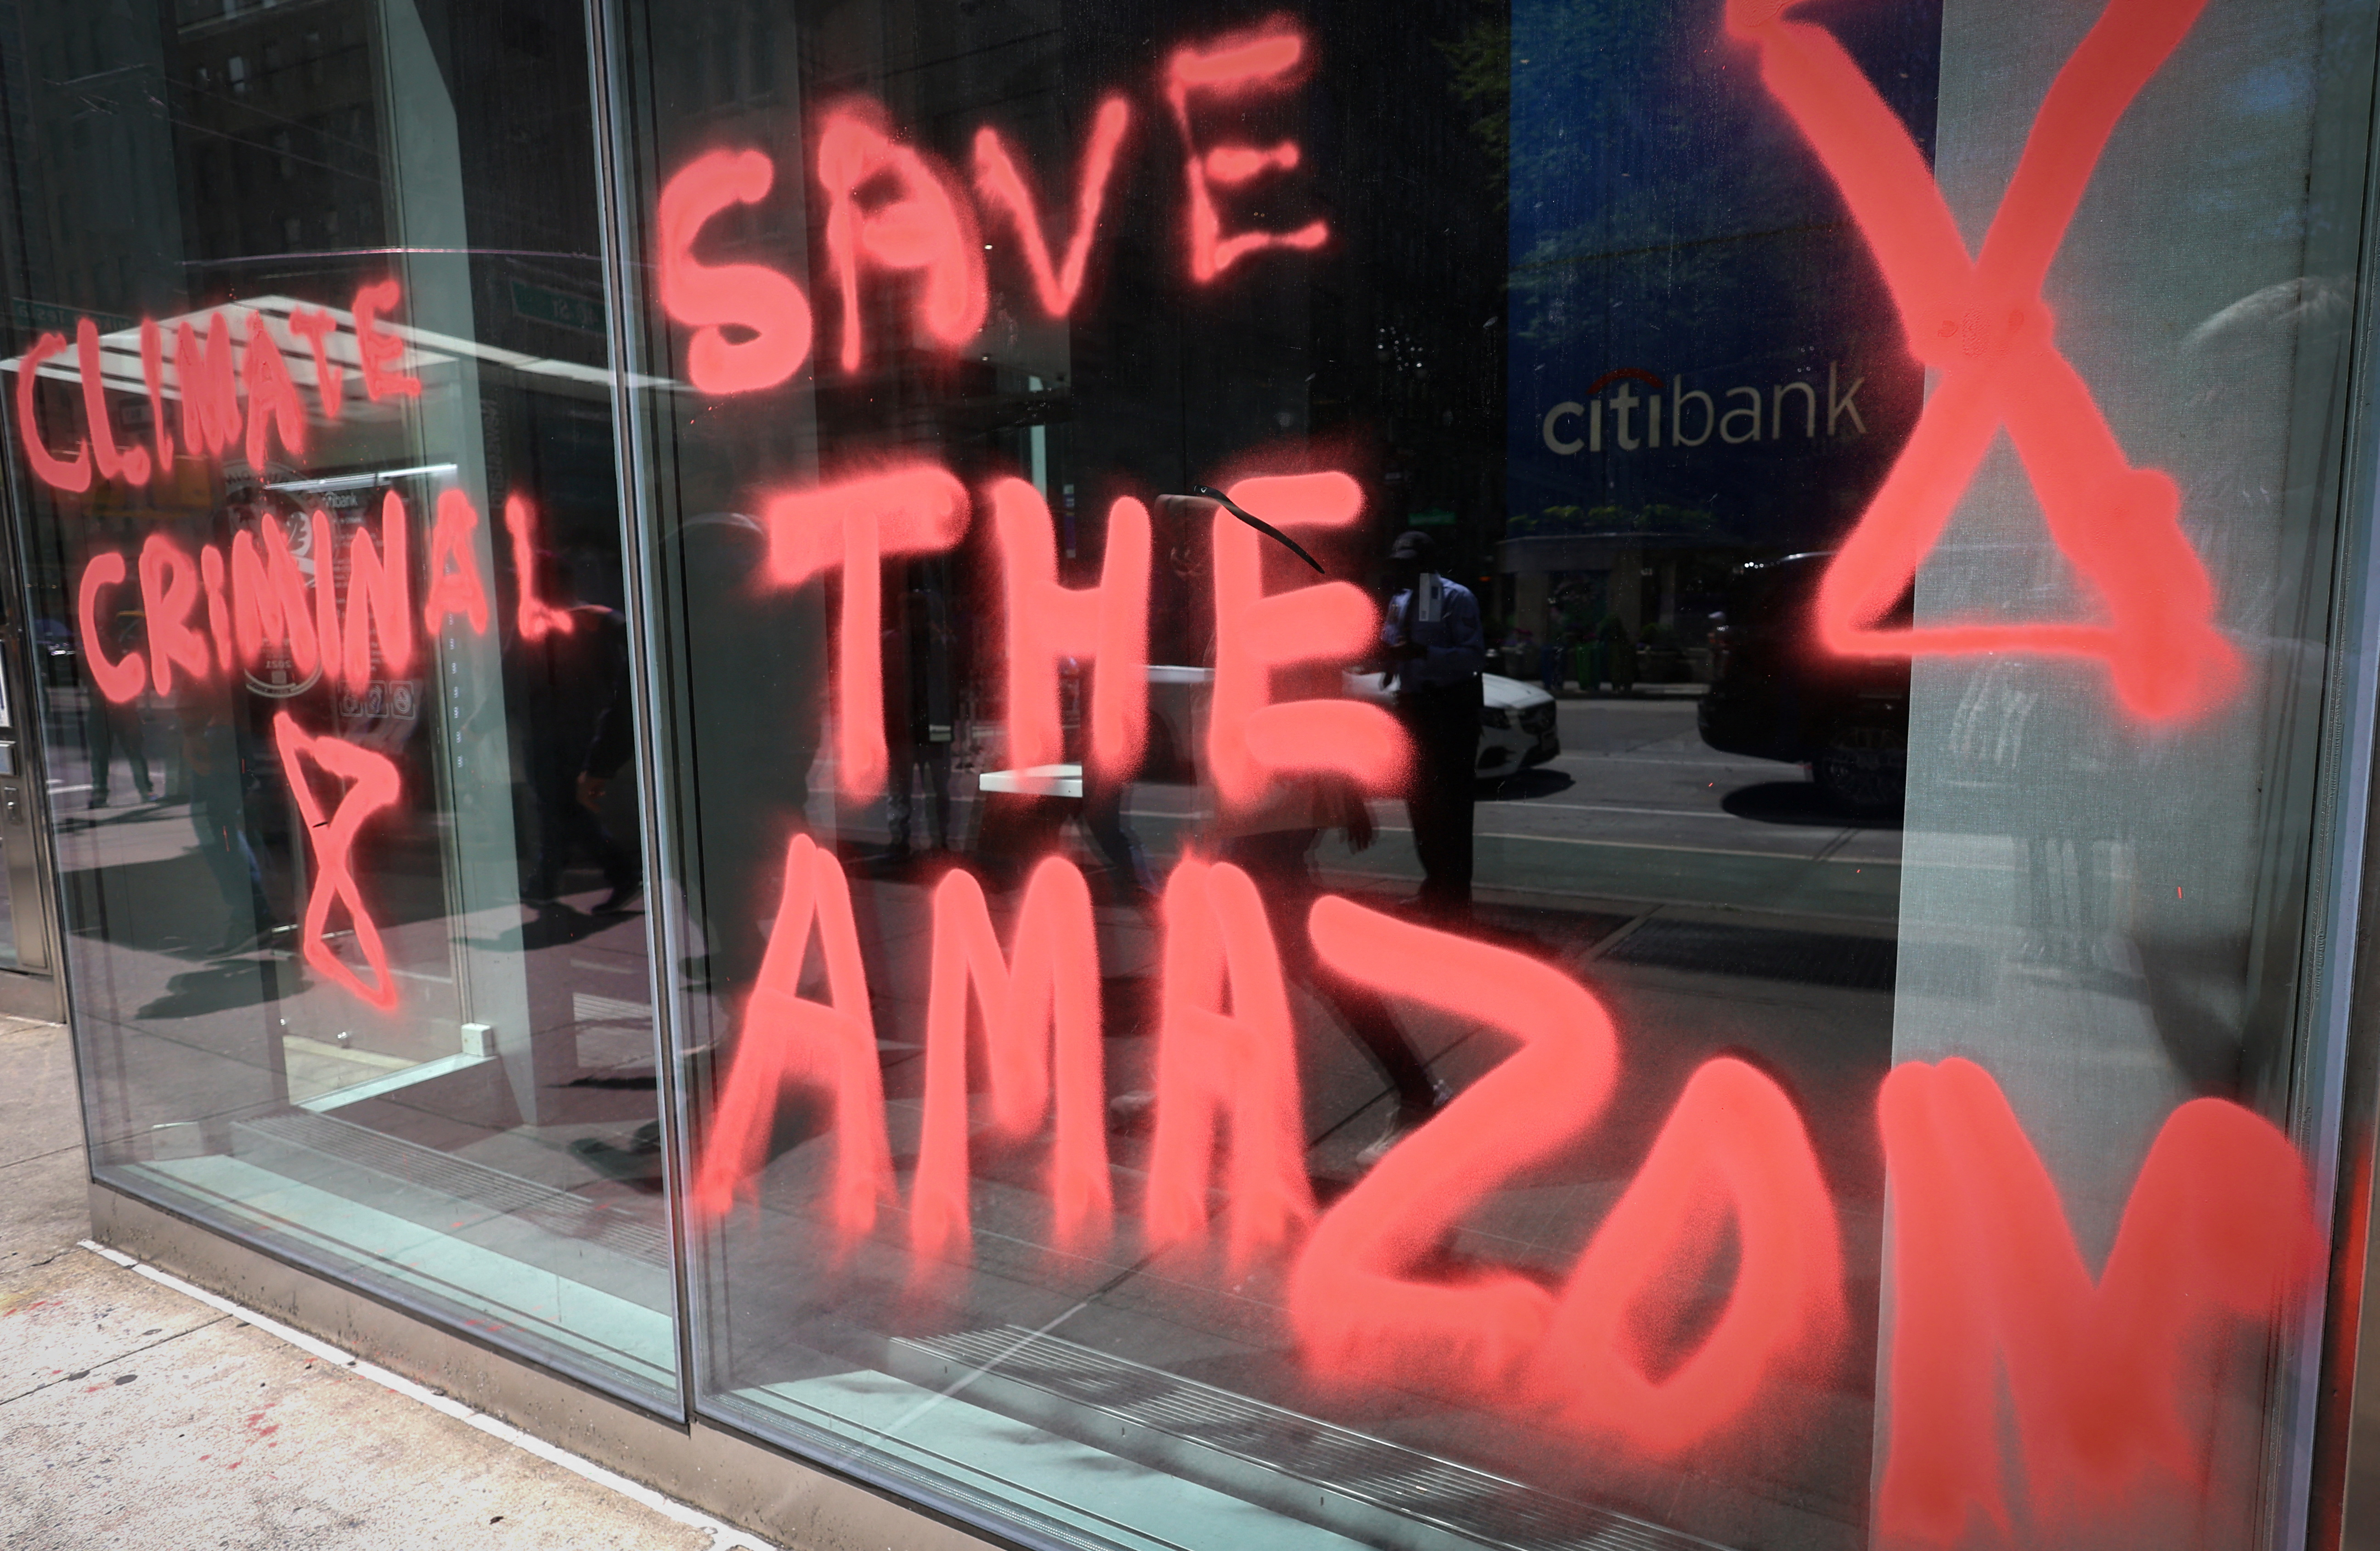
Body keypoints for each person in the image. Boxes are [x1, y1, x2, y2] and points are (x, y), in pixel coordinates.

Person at [1380, 530, 1484, 920]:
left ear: (1429, 565)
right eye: (1400, 565)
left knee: (1452, 809)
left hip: (1449, 711)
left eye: (1412, 565)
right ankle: (1434, 887)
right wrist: (1388, 658)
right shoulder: (1399, 601)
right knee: (1420, 805)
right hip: (1415, 708)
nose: (1405, 572)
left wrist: (1425, 652)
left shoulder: (1455, 598)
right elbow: (1391, 647)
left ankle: (1455, 898)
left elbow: (1473, 657)